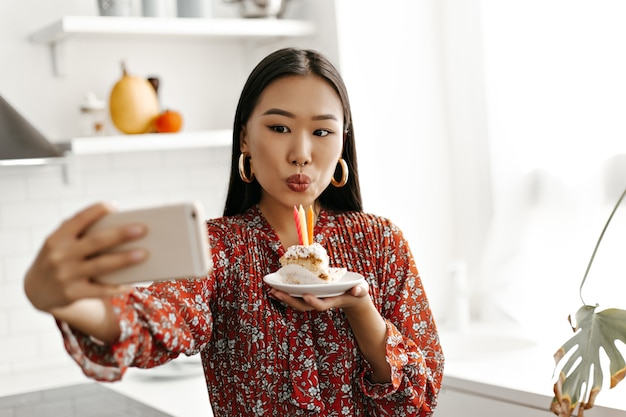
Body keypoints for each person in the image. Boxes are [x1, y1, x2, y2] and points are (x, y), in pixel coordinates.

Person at [24, 47, 444, 416]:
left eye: (321, 131)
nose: (300, 153)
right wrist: (70, 303)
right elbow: (162, 316)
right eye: (279, 128)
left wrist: (360, 308)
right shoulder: (218, 246)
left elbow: (419, 397)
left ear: (342, 142)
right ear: (245, 137)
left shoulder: (380, 242)